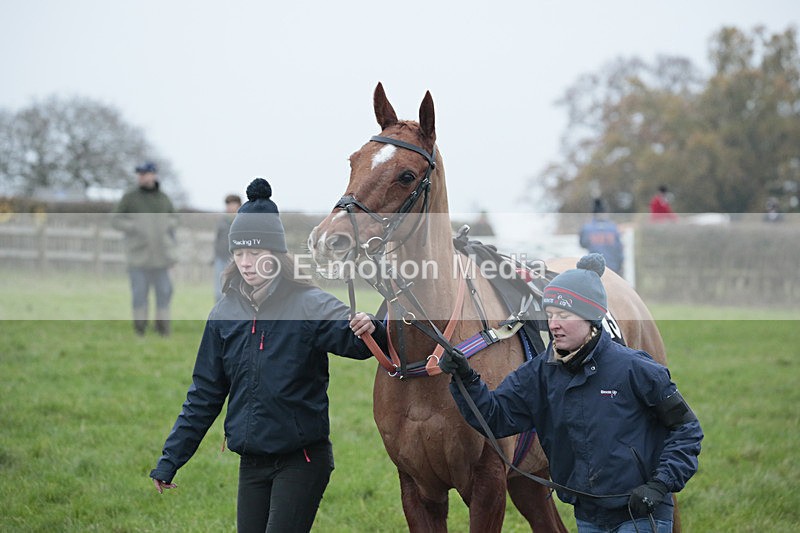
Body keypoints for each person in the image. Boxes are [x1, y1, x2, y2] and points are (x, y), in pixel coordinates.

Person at [149, 178, 387, 533]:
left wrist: (374, 324)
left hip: (303, 459)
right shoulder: (223, 315)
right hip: (252, 462)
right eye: (239, 254)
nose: (246, 263)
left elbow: (359, 345)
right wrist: (171, 460)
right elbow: (204, 395)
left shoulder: (309, 305)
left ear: (276, 255)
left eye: (256, 253)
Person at [438, 254, 703, 533]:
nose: (554, 324)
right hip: (588, 516)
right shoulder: (540, 373)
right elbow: (495, 417)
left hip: (640, 514)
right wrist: (465, 379)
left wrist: (660, 485)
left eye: (564, 315)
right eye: (550, 315)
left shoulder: (636, 369)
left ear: (590, 318)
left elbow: (687, 429)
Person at [111, 161, 177, 336]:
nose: (141, 176)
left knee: (164, 293)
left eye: (144, 173)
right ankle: (140, 329)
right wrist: (133, 226)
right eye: (139, 174)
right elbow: (116, 220)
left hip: (162, 257)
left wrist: (165, 225)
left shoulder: (163, 199)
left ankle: (163, 329)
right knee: (139, 295)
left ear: (153, 174)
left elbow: (174, 219)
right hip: (138, 257)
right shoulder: (130, 197)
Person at [579, 198, 624, 276]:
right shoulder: (613, 227)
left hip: (594, 270)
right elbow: (619, 250)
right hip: (613, 270)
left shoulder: (587, 228)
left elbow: (582, 244)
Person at [213, 193, 242, 301]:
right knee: (218, 290)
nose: (229, 207)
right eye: (228, 204)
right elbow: (217, 239)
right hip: (220, 258)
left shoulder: (243, 221)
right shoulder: (222, 221)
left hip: (235, 260)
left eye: (232, 204)